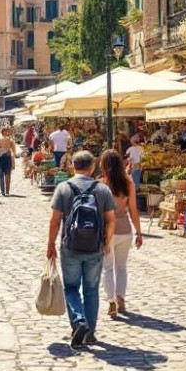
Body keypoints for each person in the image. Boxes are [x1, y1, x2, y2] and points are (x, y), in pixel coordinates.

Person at [46, 150, 116, 349]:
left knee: (71, 288)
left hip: (70, 246)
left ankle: (78, 321)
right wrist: (106, 242)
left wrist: (50, 245)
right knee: (92, 289)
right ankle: (90, 332)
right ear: (92, 167)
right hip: (94, 247)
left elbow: (54, 220)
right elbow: (110, 220)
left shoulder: (63, 187)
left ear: (72, 166)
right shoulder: (102, 189)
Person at [98, 149, 143, 317]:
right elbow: (133, 210)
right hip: (125, 230)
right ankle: (121, 298)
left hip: (107, 232)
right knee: (122, 268)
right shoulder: (128, 183)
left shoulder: (100, 184)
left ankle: (111, 301)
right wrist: (139, 232)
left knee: (107, 268)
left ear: (103, 165)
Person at [0, 126, 18, 197]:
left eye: (7, 131)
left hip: (6, 158)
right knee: (1, 176)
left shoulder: (11, 141)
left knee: (7, 176)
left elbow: (14, 153)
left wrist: (13, 162)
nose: (6, 133)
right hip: (2, 158)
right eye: (5, 131)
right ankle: (3, 191)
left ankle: (6, 191)